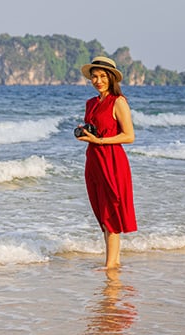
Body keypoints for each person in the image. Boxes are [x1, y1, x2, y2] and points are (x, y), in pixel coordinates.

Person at [76, 56, 137, 269]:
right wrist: (87, 135)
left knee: (112, 214)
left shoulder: (118, 101)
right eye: (94, 77)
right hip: (93, 160)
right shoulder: (91, 103)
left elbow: (129, 136)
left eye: (102, 76)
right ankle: (114, 263)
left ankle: (110, 267)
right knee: (102, 215)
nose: (98, 80)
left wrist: (100, 140)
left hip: (112, 161)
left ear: (111, 78)